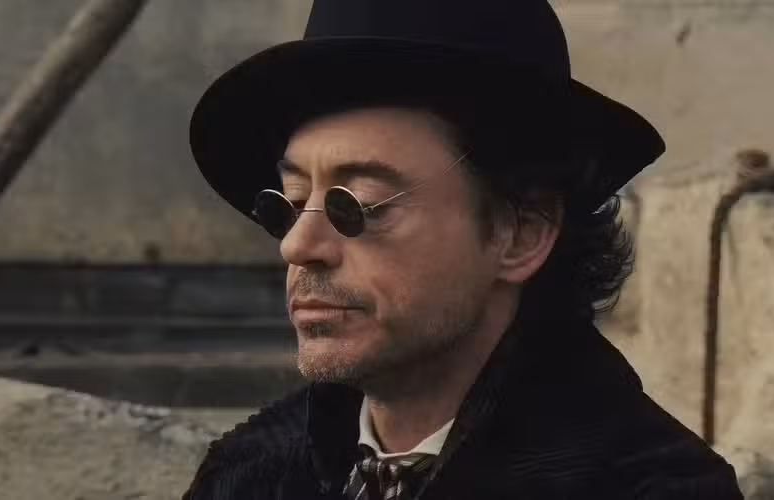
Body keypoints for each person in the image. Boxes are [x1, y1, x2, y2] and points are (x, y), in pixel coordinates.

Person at [182, 0, 743, 498]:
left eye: (359, 205)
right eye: (291, 202)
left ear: (521, 234)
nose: (298, 245)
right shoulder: (250, 473)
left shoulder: (650, 487)